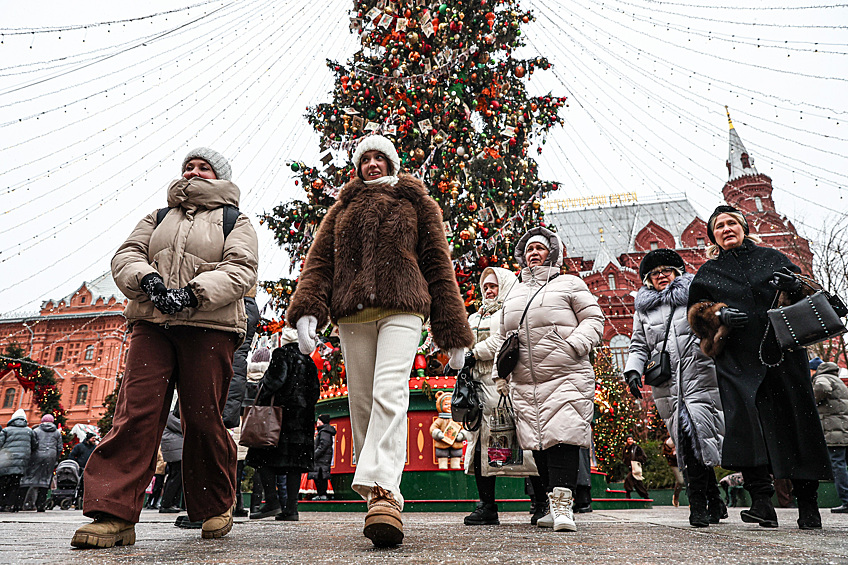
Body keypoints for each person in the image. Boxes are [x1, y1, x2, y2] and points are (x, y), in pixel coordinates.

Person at [287, 134, 473, 547]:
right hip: (352, 313)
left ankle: (385, 490)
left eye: (379, 157)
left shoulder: (416, 203)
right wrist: (308, 313)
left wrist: (452, 332)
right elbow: (319, 265)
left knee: (391, 391)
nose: (372, 164)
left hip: (403, 308)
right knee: (363, 402)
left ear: (392, 162)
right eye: (365, 159)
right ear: (357, 166)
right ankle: (379, 498)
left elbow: (438, 265)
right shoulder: (341, 210)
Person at [71, 147, 259, 548]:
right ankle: (113, 513)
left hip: (209, 325)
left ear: (218, 176)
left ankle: (214, 504)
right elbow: (127, 255)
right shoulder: (157, 217)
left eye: (202, 167)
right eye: (188, 166)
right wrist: (150, 283)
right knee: (136, 411)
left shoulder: (234, 220)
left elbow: (241, 269)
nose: (193, 172)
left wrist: (193, 294)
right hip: (153, 322)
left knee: (203, 415)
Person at [687, 205, 832, 530]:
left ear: (743, 227)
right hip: (736, 361)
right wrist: (718, 315)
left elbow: (811, 294)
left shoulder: (773, 258)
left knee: (797, 425)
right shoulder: (709, 272)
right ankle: (762, 504)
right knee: (748, 431)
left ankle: (808, 506)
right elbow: (696, 312)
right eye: (719, 226)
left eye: (731, 223)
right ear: (714, 236)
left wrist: (794, 287)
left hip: (782, 356)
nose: (726, 229)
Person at [491, 226, 604, 532]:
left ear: (552, 253)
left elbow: (594, 319)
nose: (534, 253)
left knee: (564, 437)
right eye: (529, 249)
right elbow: (504, 338)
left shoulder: (570, 283)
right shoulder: (513, 293)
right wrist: (498, 375)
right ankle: (553, 505)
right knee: (538, 442)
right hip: (526, 382)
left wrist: (572, 347)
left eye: (540, 248)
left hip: (565, 374)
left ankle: (565, 507)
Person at [624, 248, 726, 527]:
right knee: (687, 440)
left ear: (678, 273)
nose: (661, 276)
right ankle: (712, 497)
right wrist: (633, 370)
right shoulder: (644, 310)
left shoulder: (695, 295)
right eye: (655, 273)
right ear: (647, 279)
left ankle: (698, 505)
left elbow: (717, 325)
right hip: (667, 385)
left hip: (700, 377)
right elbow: (638, 345)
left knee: (698, 435)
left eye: (667, 270)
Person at [461, 266, 529, 526]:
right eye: (485, 286)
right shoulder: (476, 316)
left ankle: (540, 502)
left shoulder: (508, 312)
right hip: (479, 389)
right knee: (481, 448)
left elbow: (498, 342)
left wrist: (472, 353)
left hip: (502, 386)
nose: (488, 290)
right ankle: (487, 504)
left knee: (519, 443)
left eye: (493, 285)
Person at [245, 328, 320, 522]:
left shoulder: (282, 354)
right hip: (301, 422)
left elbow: (274, 381)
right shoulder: (309, 361)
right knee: (295, 465)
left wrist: (262, 389)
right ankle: (291, 508)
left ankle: (272, 501)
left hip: (278, 419)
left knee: (263, 458)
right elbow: (315, 393)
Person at [811, 361, 848, 513]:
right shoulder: (839, 382)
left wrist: (812, 401)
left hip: (834, 431)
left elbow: (822, 388)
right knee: (842, 464)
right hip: (842, 429)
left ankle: (846, 500)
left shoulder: (823, 378)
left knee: (837, 465)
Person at [20, 414, 63, 512]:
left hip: (36, 456)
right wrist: (55, 458)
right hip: (50, 457)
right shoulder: (57, 433)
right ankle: (41, 505)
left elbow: (33, 444)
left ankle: (22, 503)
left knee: (29, 479)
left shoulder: (36, 431)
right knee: (45, 480)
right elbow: (59, 447)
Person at [0, 409, 37, 512]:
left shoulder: (6, 430)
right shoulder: (29, 431)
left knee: (3, 483)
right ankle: (11, 505)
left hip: (6, 460)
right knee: (15, 484)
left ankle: (2, 504)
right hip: (21, 462)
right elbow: (34, 445)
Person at [158, 408, 184, 514]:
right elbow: (183, 426)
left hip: (175, 448)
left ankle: (172, 503)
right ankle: (166, 504)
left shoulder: (170, 415)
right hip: (175, 449)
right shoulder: (170, 415)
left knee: (177, 476)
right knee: (175, 476)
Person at [313, 414, 336, 501]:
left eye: (319, 420)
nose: (317, 422)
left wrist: (315, 455)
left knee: (321, 477)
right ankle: (321, 494)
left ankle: (322, 494)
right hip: (322, 459)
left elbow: (324, 445)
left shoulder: (324, 432)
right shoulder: (324, 431)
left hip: (321, 459)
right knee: (319, 477)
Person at [622, 435, 650, 500]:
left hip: (635, 467)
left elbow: (644, 457)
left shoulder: (636, 448)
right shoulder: (625, 449)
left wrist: (636, 459)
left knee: (628, 479)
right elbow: (624, 457)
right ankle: (645, 496)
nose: (630, 441)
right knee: (638, 483)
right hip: (630, 468)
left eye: (631, 439)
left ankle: (628, 494)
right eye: (628, 439)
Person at [662, 438, 684, 508]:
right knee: (681, 481)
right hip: (675, 463)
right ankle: (676, 496)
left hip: (686, 462)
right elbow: (667, 453)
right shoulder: (669, 442)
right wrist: (674, 454)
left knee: (690, 481)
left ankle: (693, 501)